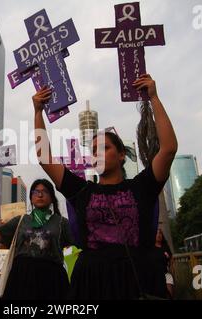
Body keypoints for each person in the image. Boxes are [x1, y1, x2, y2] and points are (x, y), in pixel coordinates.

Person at [32, 74, 178, 299]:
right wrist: (37, 112)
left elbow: (168, 149)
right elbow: (45, 158)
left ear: (121, 155)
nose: (97, 153)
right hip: (91, 282)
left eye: (105, 148)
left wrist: (154, 98)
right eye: (93, 150)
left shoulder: (141, 187)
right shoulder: (82, 191)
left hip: (137, 278)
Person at [0, 179, 75, 300]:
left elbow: (80, 239)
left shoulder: (62, 222)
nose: (40, 195)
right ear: (31, 198)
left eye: (45, 191)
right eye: (36, 192)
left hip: (51, 278)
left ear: (52, 197)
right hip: (22, 276)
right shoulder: (21, 220)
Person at [148, 228, 174, 299]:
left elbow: (171, 259)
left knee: (169, 295)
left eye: (160, 233)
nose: (159, 235)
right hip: (154, 276)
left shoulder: (165, 247)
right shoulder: (150, 248)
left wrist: (171, 269)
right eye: (157, 233)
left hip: (165, 274)